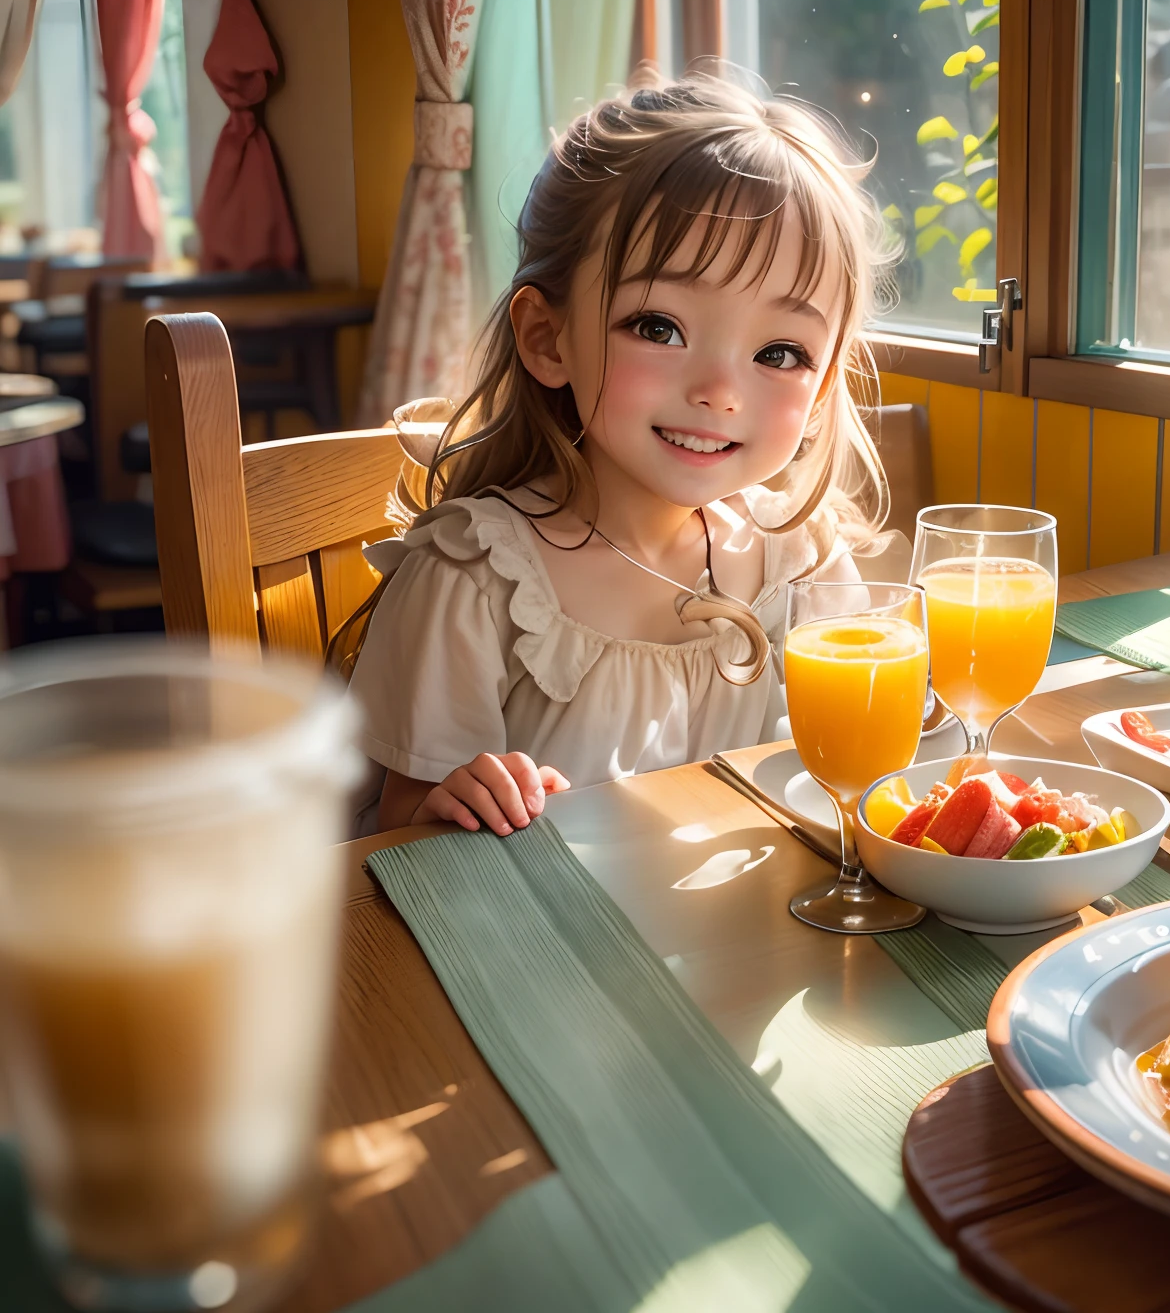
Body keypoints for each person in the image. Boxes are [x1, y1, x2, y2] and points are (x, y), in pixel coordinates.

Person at [346, 71, 897, 835]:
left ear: (824, 382)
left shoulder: (800, 562)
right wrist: (463, 799)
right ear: (547, 338)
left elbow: (858, 783)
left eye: (779, 351)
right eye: (659, 327)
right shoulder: (476, 581)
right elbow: (403, 837)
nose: (720, 391)